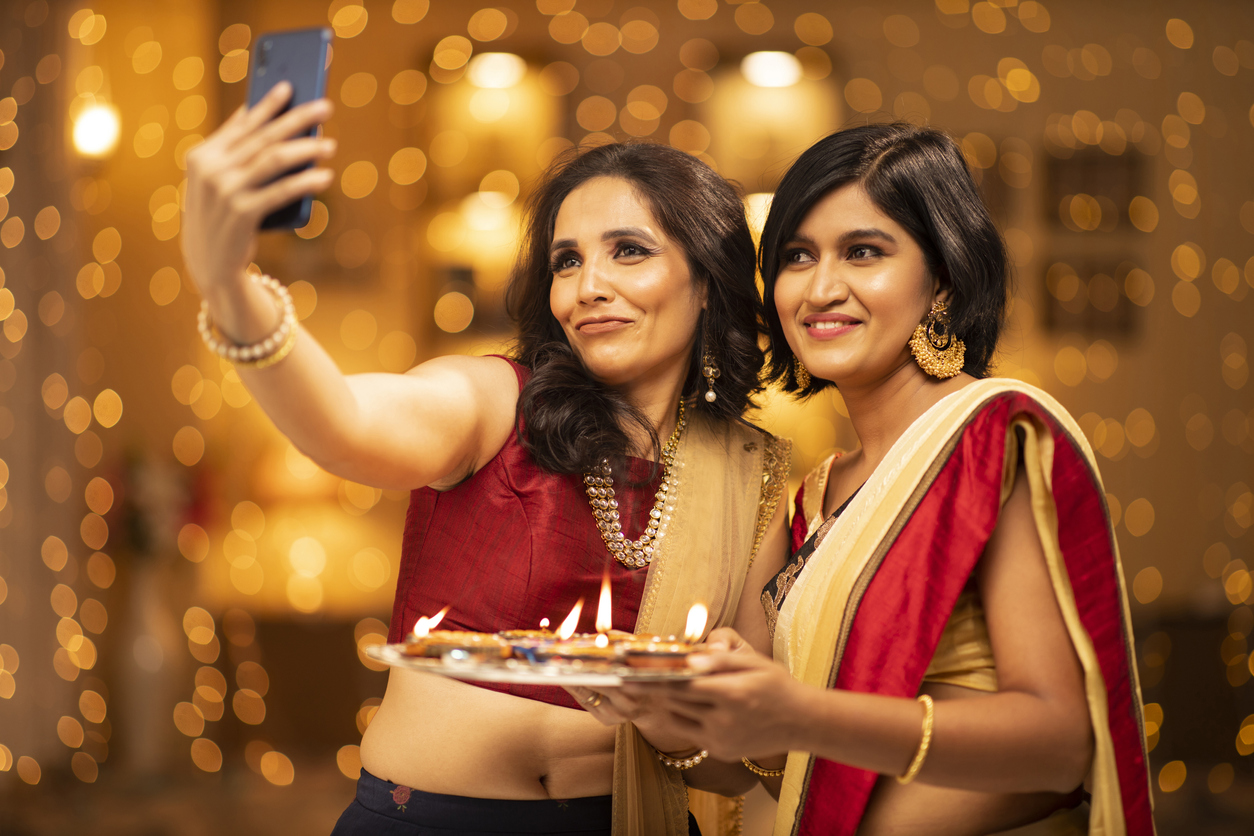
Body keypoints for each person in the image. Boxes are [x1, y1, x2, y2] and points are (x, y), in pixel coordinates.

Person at [180, 82, 791, 836]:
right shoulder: (494, 401)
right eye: (566, 262)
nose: (588, 287)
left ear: (707, 282)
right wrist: (231, 289)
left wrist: (671, 725)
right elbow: (341, 421)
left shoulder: (750, 472)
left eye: (628, 251)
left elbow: (749, 765)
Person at [622, 123, 1155, 836]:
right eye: (796, 257)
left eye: (864, 252)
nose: (820, 288)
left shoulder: (990, 436)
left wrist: (797, 710)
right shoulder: (811, 496)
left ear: (943, 277)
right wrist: (671, 719)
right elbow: (788, 771)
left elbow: (1062, 748)